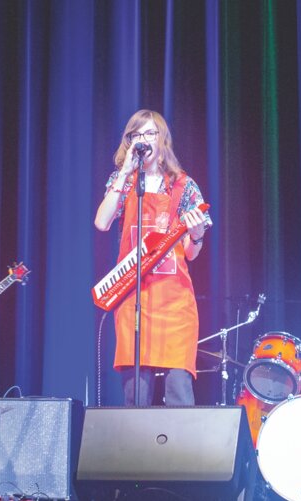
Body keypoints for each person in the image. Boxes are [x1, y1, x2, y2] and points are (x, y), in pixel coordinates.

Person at [94, 109, 211, 407]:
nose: (142, 140)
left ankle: (180, 454)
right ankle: (137, 454)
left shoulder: (184, 186)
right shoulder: (124, 181)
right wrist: (124, 173)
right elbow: (102, 222)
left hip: (175, 303)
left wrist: (196, 234)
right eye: (136, 134)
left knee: (178, 391)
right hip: (134, 300)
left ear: (162, 140)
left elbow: (192, 252)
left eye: (149, 133)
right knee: (136, 395)